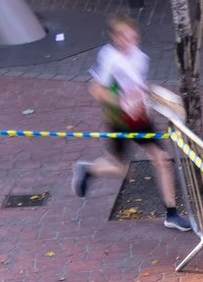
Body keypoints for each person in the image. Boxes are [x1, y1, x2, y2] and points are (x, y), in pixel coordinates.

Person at [72, 12, 191, 233]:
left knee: (162, 159)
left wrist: (159, 100)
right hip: (119, 119)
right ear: (115, 38)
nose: (129, 41)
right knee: (121, 169)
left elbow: (141, 85)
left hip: (140, 118)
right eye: (124, 37)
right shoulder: (109, 58)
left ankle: (172, 214)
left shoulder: (140, 57)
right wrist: (121, 101)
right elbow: (96, 90)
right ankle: (89, 170)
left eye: (132, 37)